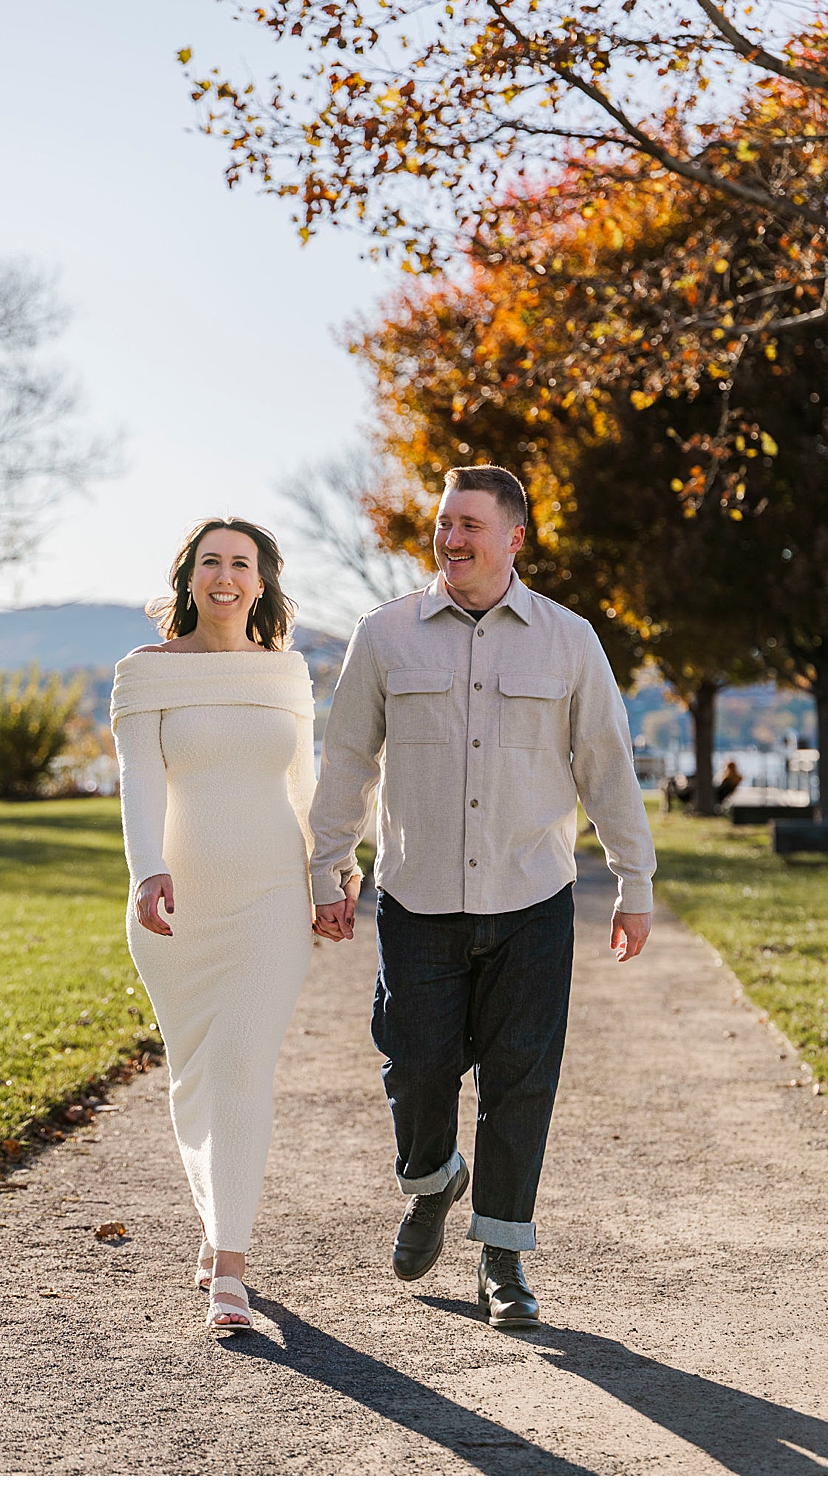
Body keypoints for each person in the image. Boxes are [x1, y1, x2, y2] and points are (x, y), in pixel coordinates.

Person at [307, 465, 657, 1330]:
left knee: (520, 1084)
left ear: (514, 539)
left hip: (533, 898)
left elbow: (605, 764)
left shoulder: (568, 640)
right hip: (418, 898)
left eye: (469, 524)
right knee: (415, 1065)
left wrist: (633, 879)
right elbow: (346, 760)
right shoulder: (384, 636)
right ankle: (432, 1181)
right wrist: (327, 870)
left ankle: (503, 1260)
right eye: (443, 524)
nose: (452, 539)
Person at [111, 517, 318, 1336]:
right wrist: (146, 870)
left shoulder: (290, 674)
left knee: (239, 1066)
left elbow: (305, 786)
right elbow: (138, 783)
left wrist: (331, 875)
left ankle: (228, 1262)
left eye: (242, 563)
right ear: (188, 579)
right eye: (211, 563)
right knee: (197, 1073)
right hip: (179, 904)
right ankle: (216, 1222)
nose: (226, 576)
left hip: (272, 897)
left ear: (263, 582)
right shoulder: (144, 673)